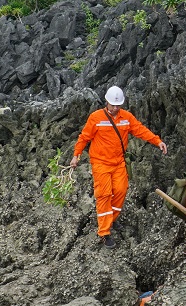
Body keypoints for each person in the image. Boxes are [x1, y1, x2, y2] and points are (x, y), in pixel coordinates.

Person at [71, 85, 168, 248]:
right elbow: (84, 137)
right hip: (100, 163)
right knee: (104, 194)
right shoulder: (96, 118)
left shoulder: (126, 117)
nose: (115, 108)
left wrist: (157, 141)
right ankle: (104, 232)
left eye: (118, 105)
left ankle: (113, 219)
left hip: (118, 162)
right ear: (106, 102)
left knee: (121, 190)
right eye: (113, 105)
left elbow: (140, 130)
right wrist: (76, 156)